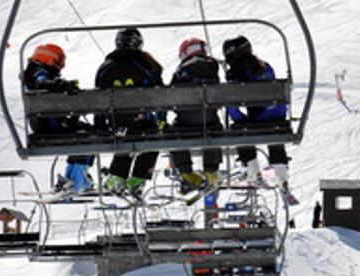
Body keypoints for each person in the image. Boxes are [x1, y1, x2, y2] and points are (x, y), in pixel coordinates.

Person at [95, 28, 163, 195]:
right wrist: (161, 119)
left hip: (116, 123)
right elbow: (160, 94)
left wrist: (100, 124)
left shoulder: (106, 67)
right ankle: (137, 181)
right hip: (143, 122)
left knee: (124, 138)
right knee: (152, 139)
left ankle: (117, 178)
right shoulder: (146, 65)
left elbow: (98, 98)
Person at [21, 43, 93, 192]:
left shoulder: (32, 72)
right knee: (89, 136)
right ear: (49, 59)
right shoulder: (37, 73)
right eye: (59, 61)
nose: (60, 66)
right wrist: (60, 84)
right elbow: (41, 83)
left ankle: (72, 176)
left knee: (84, 131)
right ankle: (78, 178)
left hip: (45, 121)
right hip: (50, 123)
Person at [223, 36, 291, 191]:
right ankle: (282, 175)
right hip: (279, 115)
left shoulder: (236, 72)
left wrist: (239, 120)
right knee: (275, 135)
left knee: (242, 132)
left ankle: (253, 172)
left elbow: (230, 100)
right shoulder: (264, 66)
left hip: (259, 117)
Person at [168, 37, 222, 194]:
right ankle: (211, 170)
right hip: (210, 121)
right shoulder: (213, 66)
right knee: (214, 128)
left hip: (185, 123)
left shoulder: (182, 70)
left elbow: (170, 95)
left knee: (173, 132)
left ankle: (186, 172)